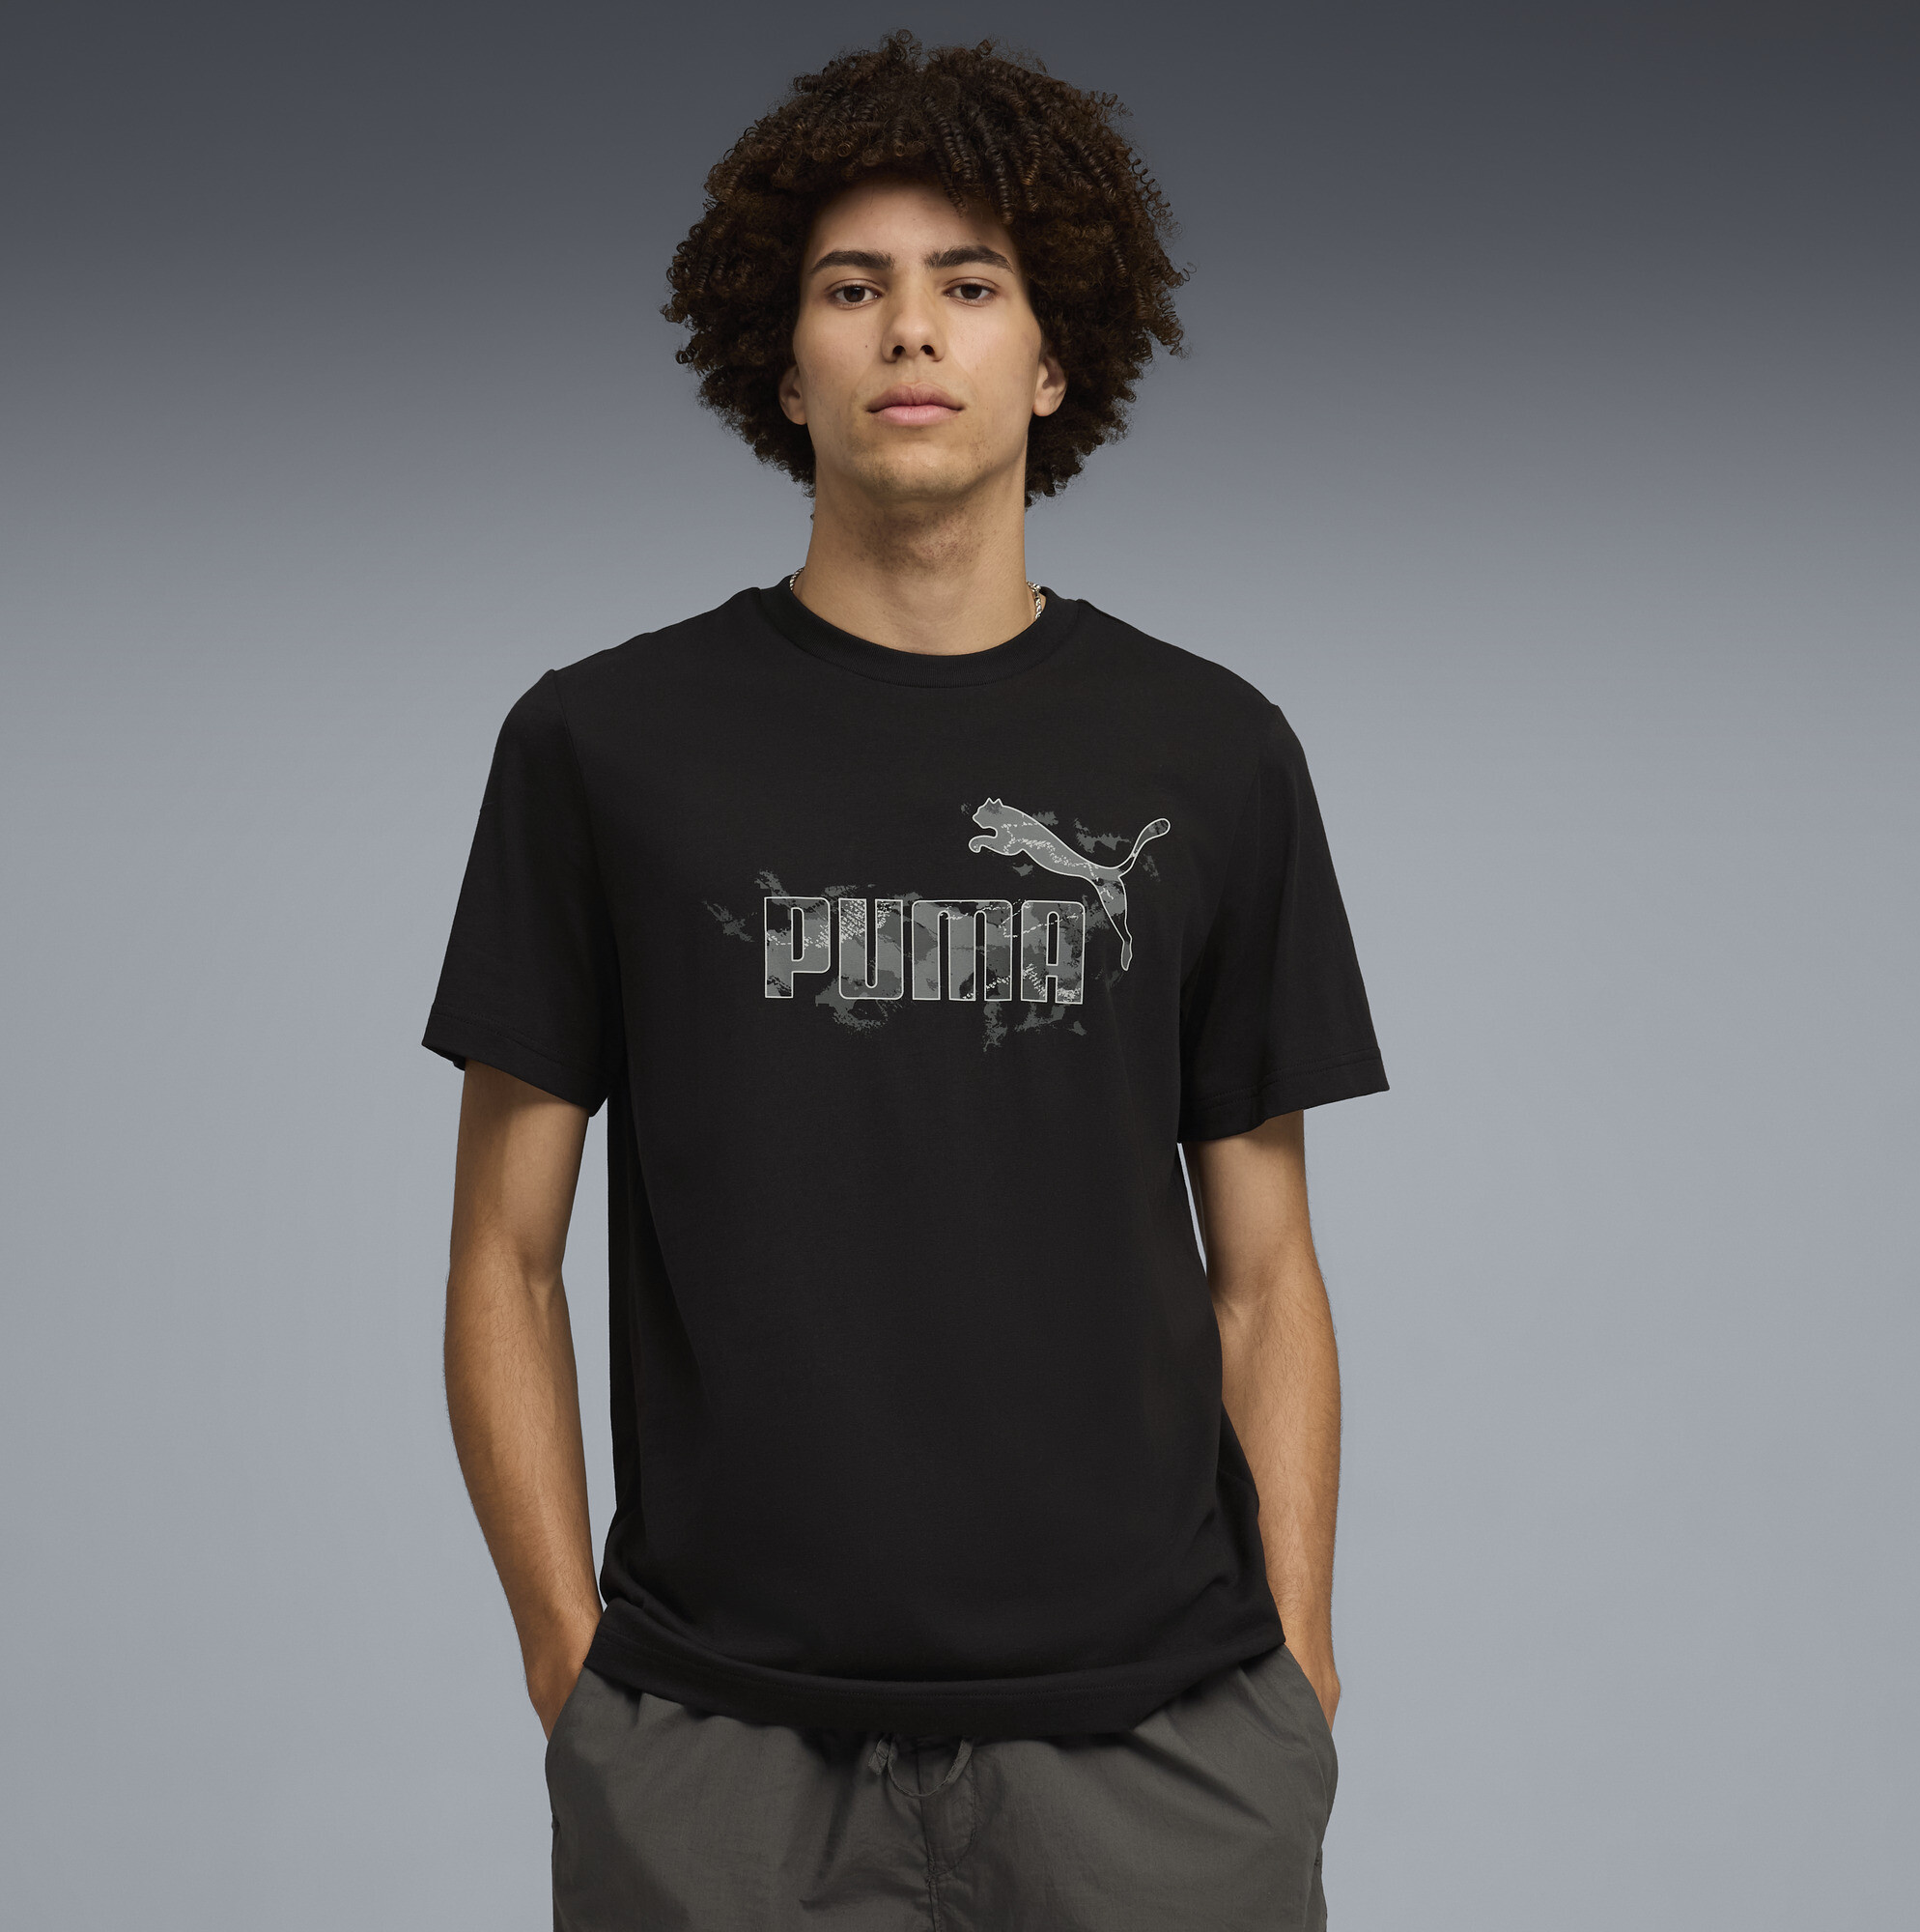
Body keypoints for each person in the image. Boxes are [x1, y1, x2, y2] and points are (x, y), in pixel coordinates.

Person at [422, 31, 1388, 1930]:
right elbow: (501, 1259)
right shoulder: (603, 748)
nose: (911, 330)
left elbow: (1267, 1272)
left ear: (1055, 357)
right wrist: (574, 1674)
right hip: (719, 1759)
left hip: (1158, 1748)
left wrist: (1295, 1673)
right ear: (784, 366)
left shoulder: (1212, 753)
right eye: (851, 289)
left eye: (970, 284)